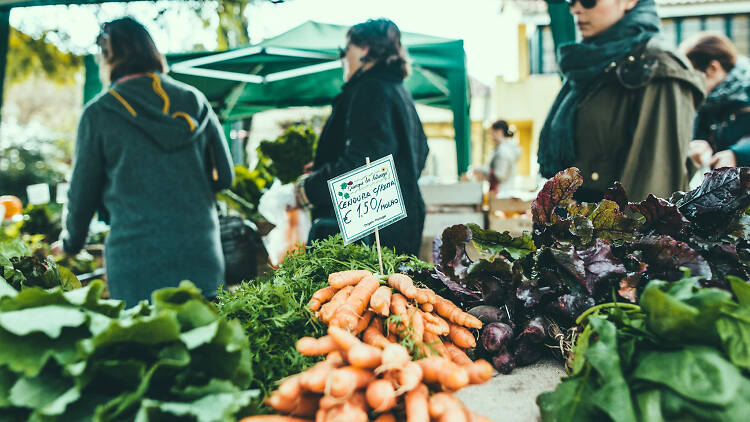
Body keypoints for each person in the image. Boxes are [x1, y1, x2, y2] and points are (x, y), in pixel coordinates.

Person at [58, 17, 234, 305]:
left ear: (108, 56)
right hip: (200, 253)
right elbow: (225, 176)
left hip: (136, 264)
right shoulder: (195, 101)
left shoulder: (99, 113)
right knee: (208, 342)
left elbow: (82, 196)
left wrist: (70, 245)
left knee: (146, 344)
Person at [538, 0, 705, 202]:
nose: (576, 8)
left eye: (589, 1)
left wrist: (622, 230)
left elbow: (654, 183)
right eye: (571, 1)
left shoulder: (657, 65)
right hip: (574, 223)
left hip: (612, 228)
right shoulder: (588, 64)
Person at [294, 18, 429, 256]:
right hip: (397, 225)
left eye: (345, 50)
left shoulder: (372, 88)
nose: (343, 58)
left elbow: (364, 164)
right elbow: (412, 152)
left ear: (365, 48)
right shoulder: (396, 89)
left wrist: (309, 188)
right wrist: (324, 166)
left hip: (372, 235)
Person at [681, 32, 750, 169]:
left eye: (692, 76)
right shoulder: (707, 102)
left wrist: (737, 155)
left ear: (713, 68)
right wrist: (700, 146)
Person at [486, 120, 521, 193]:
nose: (491, 138)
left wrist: (483, 171)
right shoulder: (508, 147)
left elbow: (500, 175)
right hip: (507, 189)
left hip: (501, 192)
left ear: (499, 132)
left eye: (492, 134)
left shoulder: (503, 150)